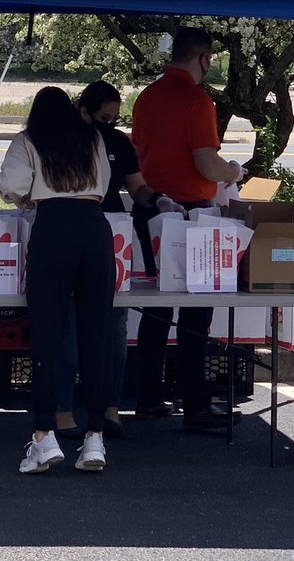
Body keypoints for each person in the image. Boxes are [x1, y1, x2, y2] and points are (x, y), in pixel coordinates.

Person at [52, 81, 185, 440]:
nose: (110, 124)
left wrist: (157, 200)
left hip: (113, 231)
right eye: (103, 117)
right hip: (67, 229)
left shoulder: (118, 143)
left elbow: (136, 186)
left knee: (114, 322)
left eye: (115, 118)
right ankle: (63, 409)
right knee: (68, 322)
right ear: (83, 111)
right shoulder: (64, 138)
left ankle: (110, 407)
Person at [130, 27, 244, 431]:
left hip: (150, 206)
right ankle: (195, 402)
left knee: (157, 308)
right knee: (198, 308)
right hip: (192, 214)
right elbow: (206, 163)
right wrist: (233, 171)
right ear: (204, 59)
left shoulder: (146, 97)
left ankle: (148, 398)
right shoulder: (197, 100)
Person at [0, 86, 115, 473]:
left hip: (52, 227)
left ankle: (43, 437)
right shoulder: (92, 137)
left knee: (48, 335)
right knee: (96, 334)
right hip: (95, 229)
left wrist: (28, 196)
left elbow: (12, 186)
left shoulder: (29, 139)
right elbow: (105, 180)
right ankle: (95, 437)